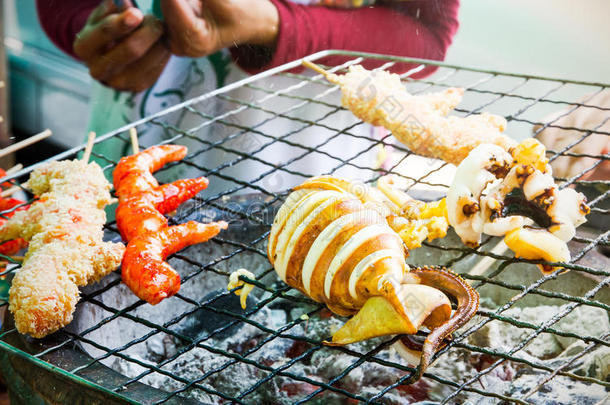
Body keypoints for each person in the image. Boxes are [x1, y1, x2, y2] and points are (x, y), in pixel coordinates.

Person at [36, 0, 460, 196]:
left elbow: (426, 34)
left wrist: (268, 26)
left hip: (319, 171)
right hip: (133, 150)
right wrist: (104, 37)